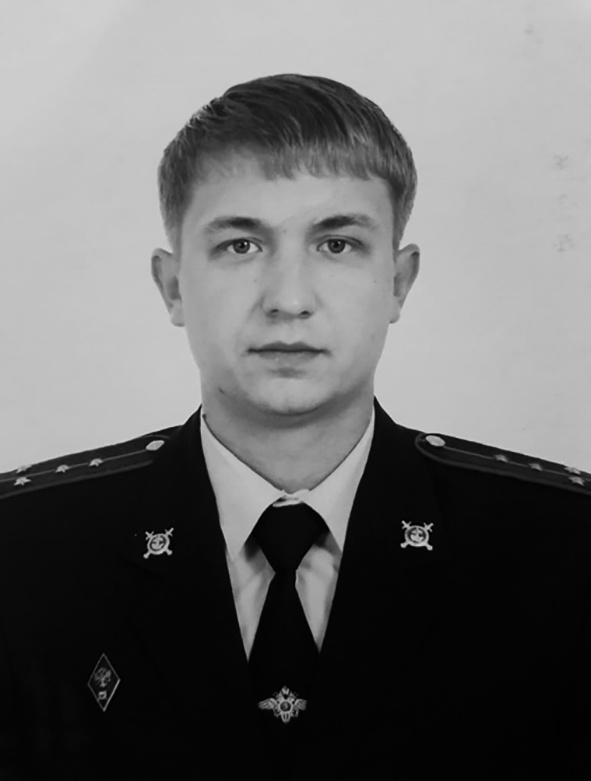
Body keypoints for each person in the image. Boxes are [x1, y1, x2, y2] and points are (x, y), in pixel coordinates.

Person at [0, 73, 590, 781]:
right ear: (173, 286)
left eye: (336, 244)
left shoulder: (562, 549)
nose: (288, 299)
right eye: (240, 245)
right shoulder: (23, 551)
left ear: (398, 282)